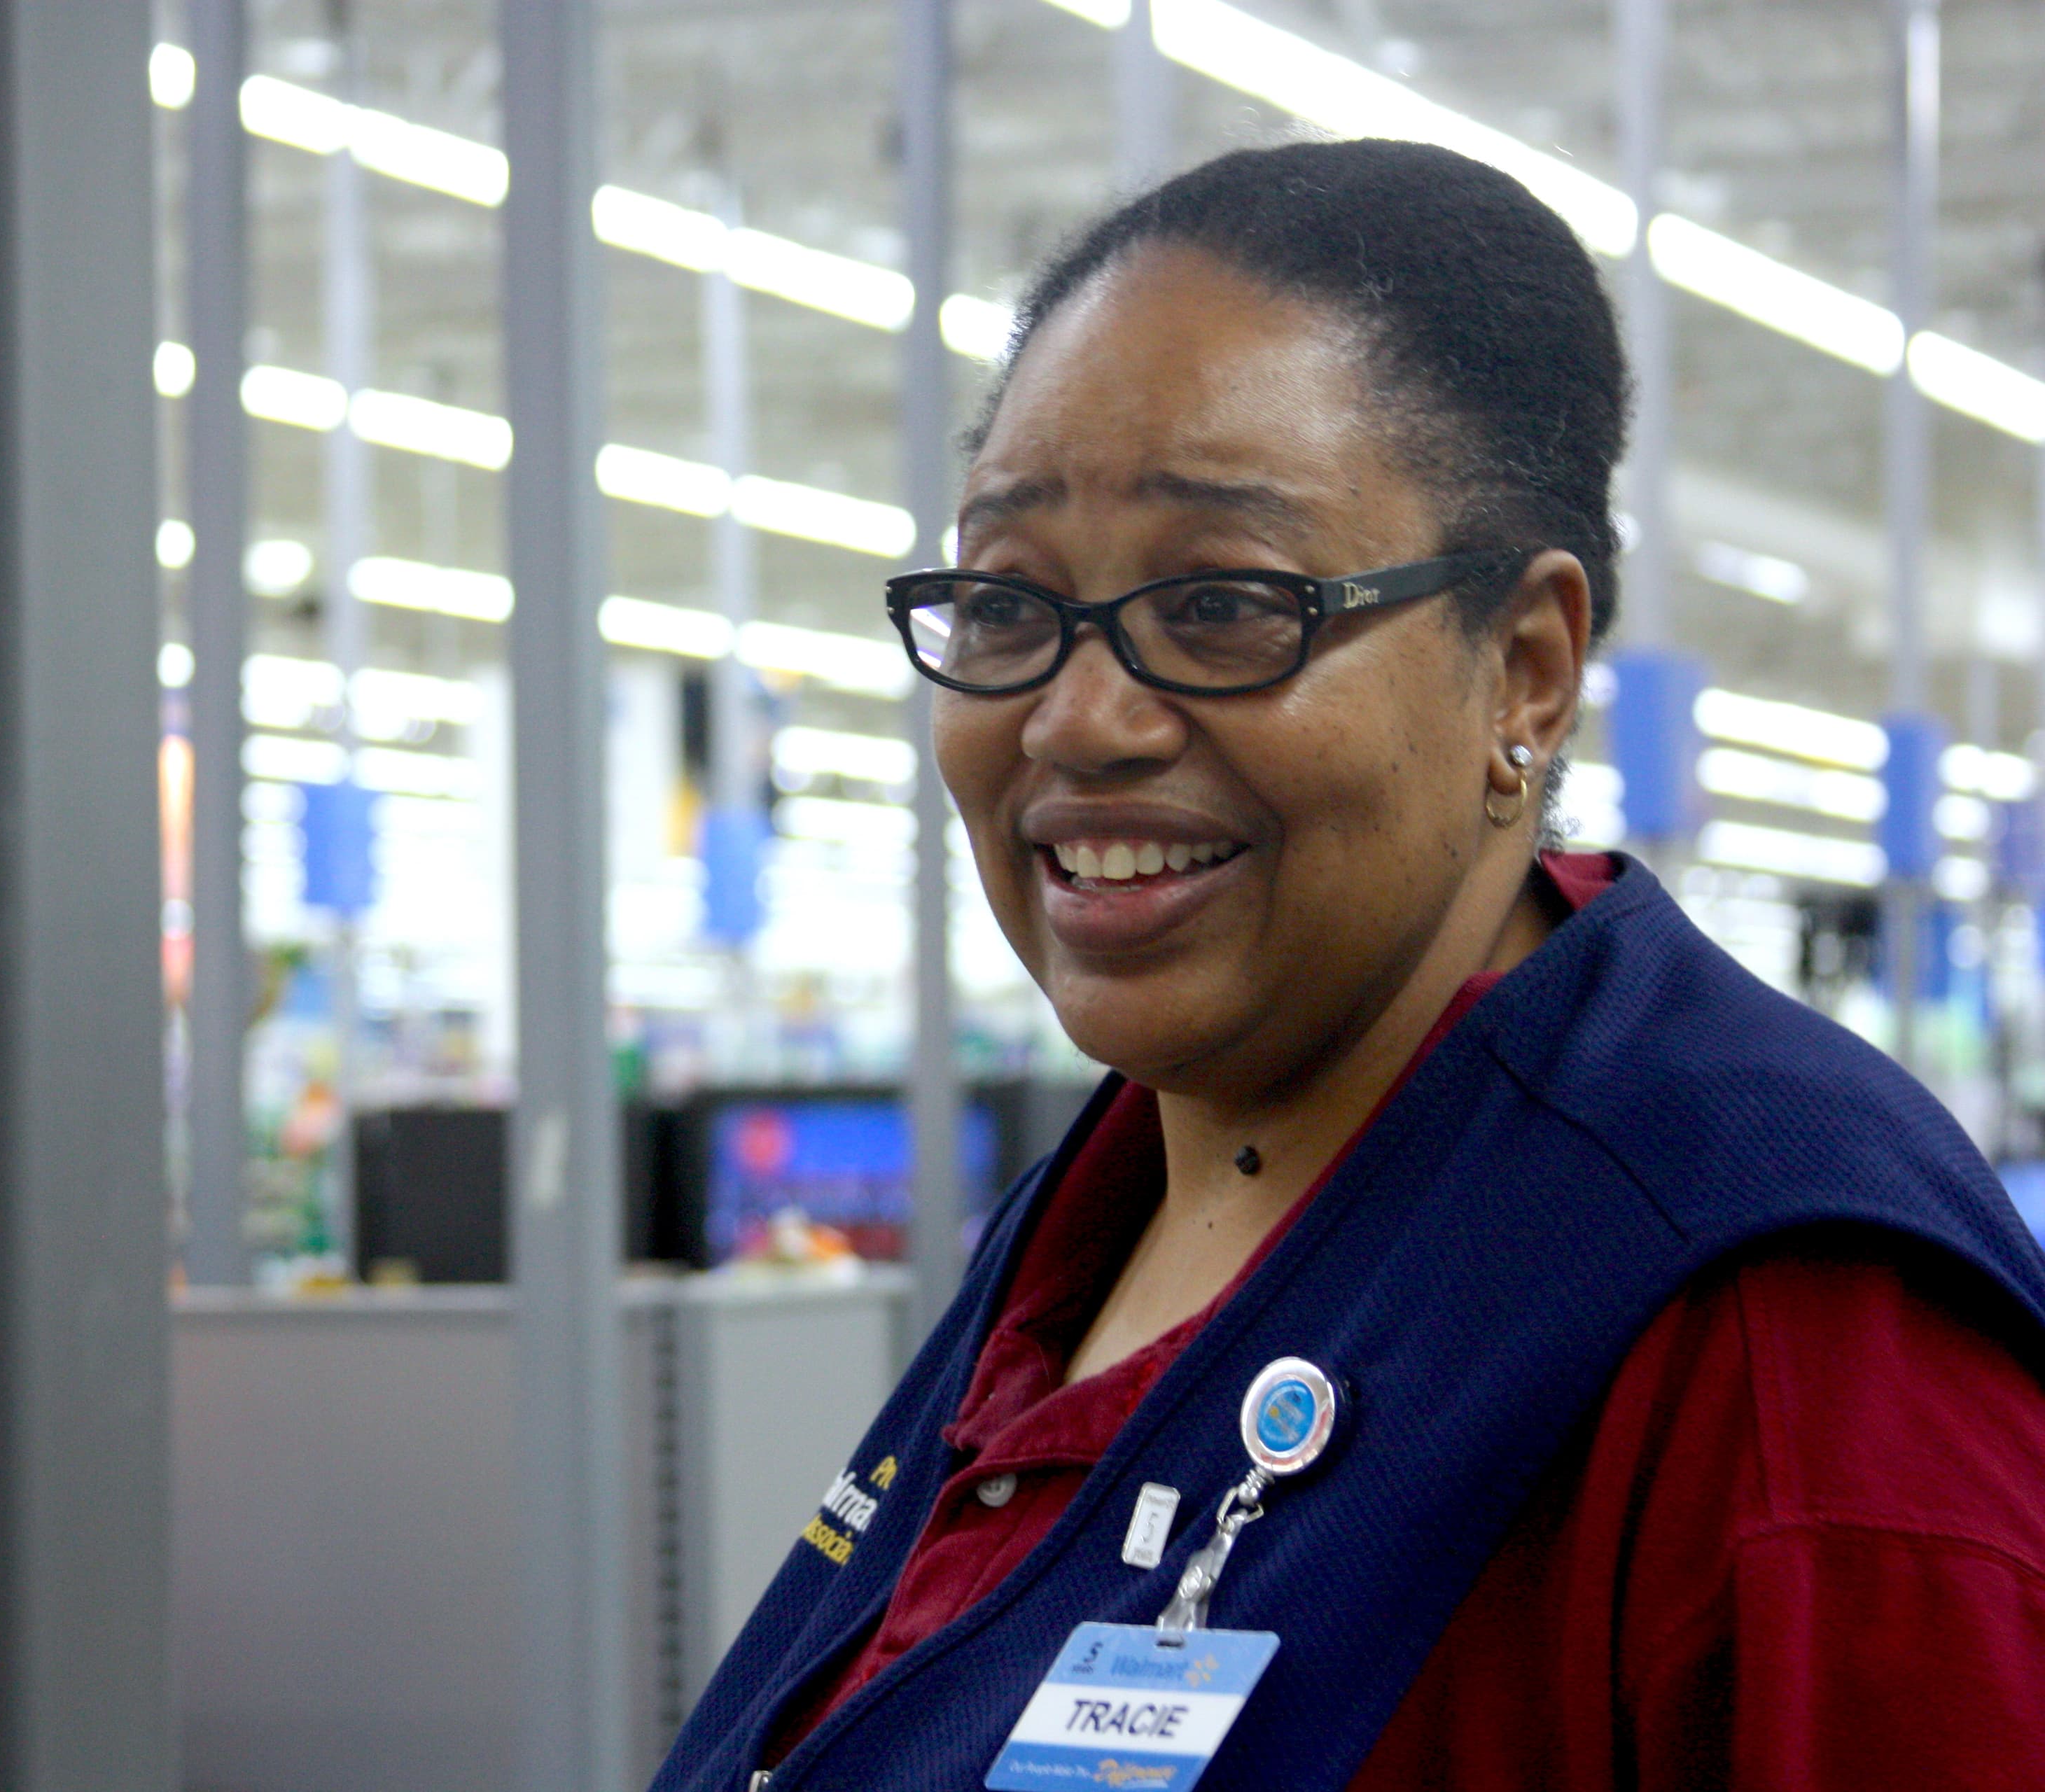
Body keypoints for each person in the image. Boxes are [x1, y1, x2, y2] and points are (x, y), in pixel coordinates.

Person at [650, 139, 2045, 1792]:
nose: (1080, 716)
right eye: (1011, 602)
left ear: (1524, 672)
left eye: (1229, 602)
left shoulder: (1784, 1339)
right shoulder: (1109, 1200)